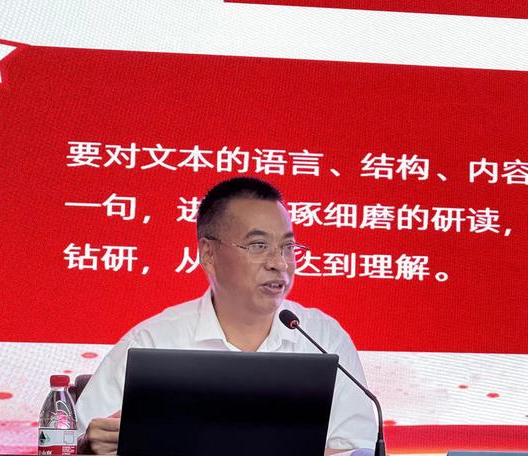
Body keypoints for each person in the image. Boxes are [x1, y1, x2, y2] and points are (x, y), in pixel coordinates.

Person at [76, 177, 376, 455]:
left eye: (287, 247)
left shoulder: (323, 338)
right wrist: (88, 446)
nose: (280, 263)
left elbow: (357, 448)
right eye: (259, 246)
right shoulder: (154, 340)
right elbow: (80, 437)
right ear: (208, 254)